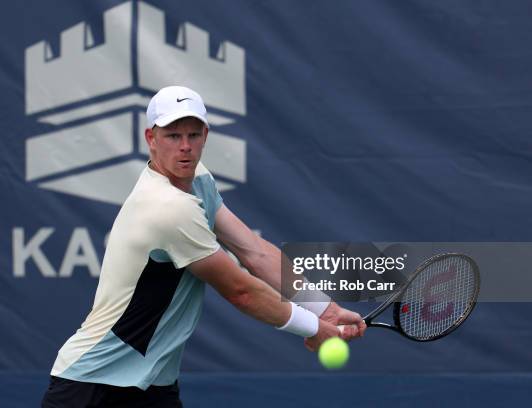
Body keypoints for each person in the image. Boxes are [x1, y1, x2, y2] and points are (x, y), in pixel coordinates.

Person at [41, 86, 366, 407]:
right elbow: (241, 291)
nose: (185, 147)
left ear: (206, 136)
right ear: (151, 139)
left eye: (193, 135)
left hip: (154, 383)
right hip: (94, 385)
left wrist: (325, 309)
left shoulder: (199, 180)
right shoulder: (168, 207)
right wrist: (313, 328)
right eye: (172, 136)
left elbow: (254, 252)